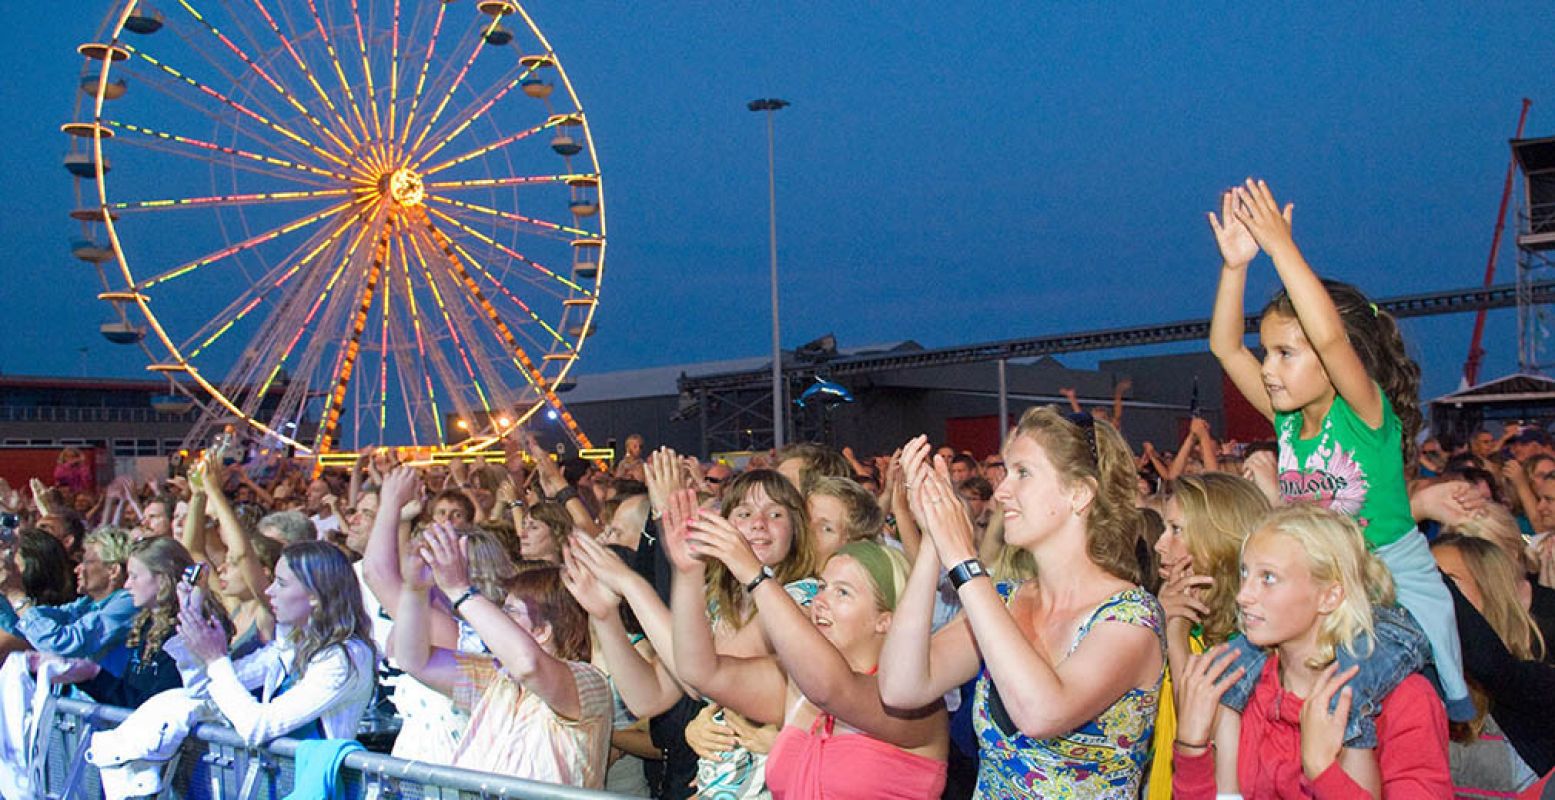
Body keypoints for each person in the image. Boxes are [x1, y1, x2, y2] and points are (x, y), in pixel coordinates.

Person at [1207, 179, 1471, 724]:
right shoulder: (1287, 422)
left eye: (1284, 353)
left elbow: (1329, 339)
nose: (1269, 369)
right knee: (1224, 676)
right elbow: (1225, 347)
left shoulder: (1366, 415)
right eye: (1269, 354)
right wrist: (1236, 267)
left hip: (1392, 605)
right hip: (1323, 600)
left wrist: (1282, 248)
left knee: (1335, 697)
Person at [878, 409, 1166, 798]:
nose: (1001, 492)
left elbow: (1042, 711)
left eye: (1023, 473)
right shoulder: (1004, 601)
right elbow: (901, 687)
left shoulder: (1130, 618)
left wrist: (964, 561)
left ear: (1079, 493)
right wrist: (934, 536)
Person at [666, 491, 949, 798]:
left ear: (885, 619)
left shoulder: (916, 702)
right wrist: (688, 573)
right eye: (823, 587)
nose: (820, 601)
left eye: (843, 593)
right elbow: (702, 671)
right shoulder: (797, 685)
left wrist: (755, 576)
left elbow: (834, 690)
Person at [1171, 505, 1451, 797]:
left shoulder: (1406, 700)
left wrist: (1322, 771)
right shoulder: (1246, 685)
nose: (1243, 595)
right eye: (1245, 572)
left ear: (1329, 595)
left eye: (1268, 578)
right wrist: (1191, 748)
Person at [394, 525, 612, 787]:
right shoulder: (496, 676)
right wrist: (415, 591)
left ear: (542, 631)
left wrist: (460, 591)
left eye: (510, 611)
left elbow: (529, 665)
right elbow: (415, 662)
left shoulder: (589, 682)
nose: (500, 618)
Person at [174, 540, 377, 745]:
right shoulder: (291, 645)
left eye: (281, 583)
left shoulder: (345, 657)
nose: (270, 591)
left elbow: (257, 727)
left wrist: (216, 659)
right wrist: (192, 614)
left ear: (315, 595)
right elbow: (201, 690)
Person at [1146, 473, 1271, 798]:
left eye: (1176, 530)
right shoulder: (1167, 608)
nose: (1160, 544)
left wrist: (1174, 636)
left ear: (1217, 543)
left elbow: (1198, 735)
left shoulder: (1252, 643)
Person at [50, 538, 231, 709]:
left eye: (134, 576)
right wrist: (88, 675)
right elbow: (129, 696)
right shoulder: (145, 624)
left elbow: (153, 705)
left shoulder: (185, 633)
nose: (127, 585)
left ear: (162, 578)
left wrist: (94, 675)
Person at [1431, 533, 1546, 795]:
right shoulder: (1414, 683)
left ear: (1491, 593)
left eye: (1448, 582)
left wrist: (1414, 565)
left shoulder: (1537, 685)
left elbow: (1489, 663)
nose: (1428, 596)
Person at [12, 527, 137, 666]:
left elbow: (62, 644)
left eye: (86, 562)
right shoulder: (86, 604)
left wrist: (15, 595)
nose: (77, 569)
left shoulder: (128, 603)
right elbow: (34, 623)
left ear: (113, 571)